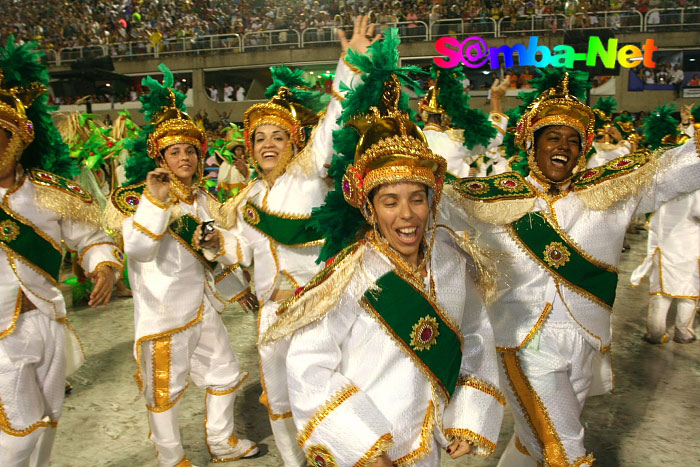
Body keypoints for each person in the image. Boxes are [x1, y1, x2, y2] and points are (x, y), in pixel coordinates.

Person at [440, 73, 700, 466]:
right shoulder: (493, 197)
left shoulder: (608, 192)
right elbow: (423, 201)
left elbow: (672, 172)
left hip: (588, 341)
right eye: (553, 137)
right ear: (532, 143)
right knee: (566, 449)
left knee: (533, 443)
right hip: (525, 342)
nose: (564, 146)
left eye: (574, 139)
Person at [264, 74, 503, 467]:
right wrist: (366, 450)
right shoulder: (350, 274)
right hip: (368, 450)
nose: (407, 214)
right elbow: (308, 367)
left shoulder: (451, 261)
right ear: (370, 208)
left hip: (428, 444)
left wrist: (467, 416)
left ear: (432, 200)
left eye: (416, 199)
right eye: (390, 201)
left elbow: (474, 336)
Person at [198, 16, 373, 467]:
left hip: (319, 307)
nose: (268, 143)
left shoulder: (310, 172)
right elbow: (239, 252)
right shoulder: (246, 199)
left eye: (279, 136)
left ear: (294, 141)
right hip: (270, 316)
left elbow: (335, 119)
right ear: (248, 147)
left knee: (324, 395)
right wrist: (216, 244)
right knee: (279, 402)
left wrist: (348, 62)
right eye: (259, 138)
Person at [104, 67, 257, 467]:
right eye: (175, 152)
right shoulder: (136, 198)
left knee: (224, 374)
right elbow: (137, 251)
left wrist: (229, 275)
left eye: (190, 151)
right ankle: (171, 458)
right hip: (164, 315)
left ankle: (221, 444)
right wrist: (155, 203)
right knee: (164, 390)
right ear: (161, 157)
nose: (185, 157)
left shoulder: (202, 199)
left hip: (202, 308)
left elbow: (209, 255)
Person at [0, 38, 123, 467]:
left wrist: (104, 267)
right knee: (20, 428)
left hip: (48, 320)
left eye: (2, 133)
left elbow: (91, 238)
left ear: (20, 136)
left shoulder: (51, 192)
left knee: (47, 423)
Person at [630, 106, 699, 344]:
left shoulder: (660, 179)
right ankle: (683, 332)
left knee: (660, 292)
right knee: (688, 293)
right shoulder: (694, 182)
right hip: (687, 246)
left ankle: (655, 332)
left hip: (660, 243)